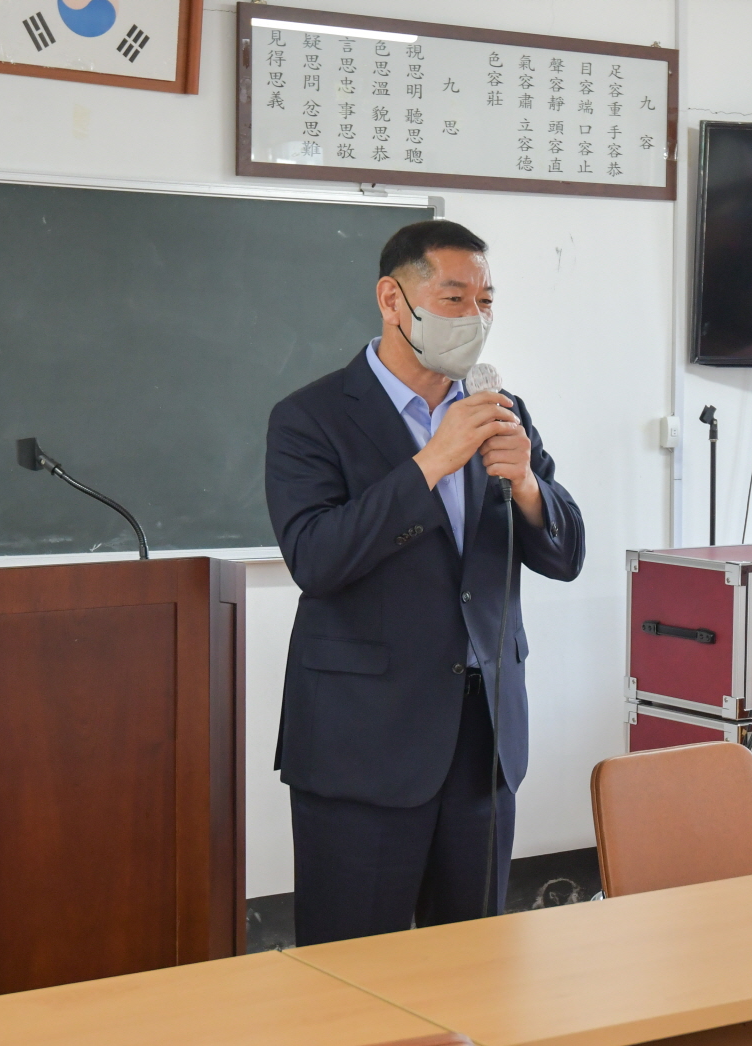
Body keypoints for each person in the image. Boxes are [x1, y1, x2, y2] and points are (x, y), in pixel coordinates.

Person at [264, 220, 585, 947]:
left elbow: (565, 555)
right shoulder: (310, 418)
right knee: (354, 971)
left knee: (473, 966)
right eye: (453, 298)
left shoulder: (500, 412)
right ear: (392, 300)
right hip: (363, 745)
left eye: (485, 300)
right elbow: (316, 558)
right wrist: (431, 463)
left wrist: (527, 485)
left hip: (483, 742)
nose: (474, 317)